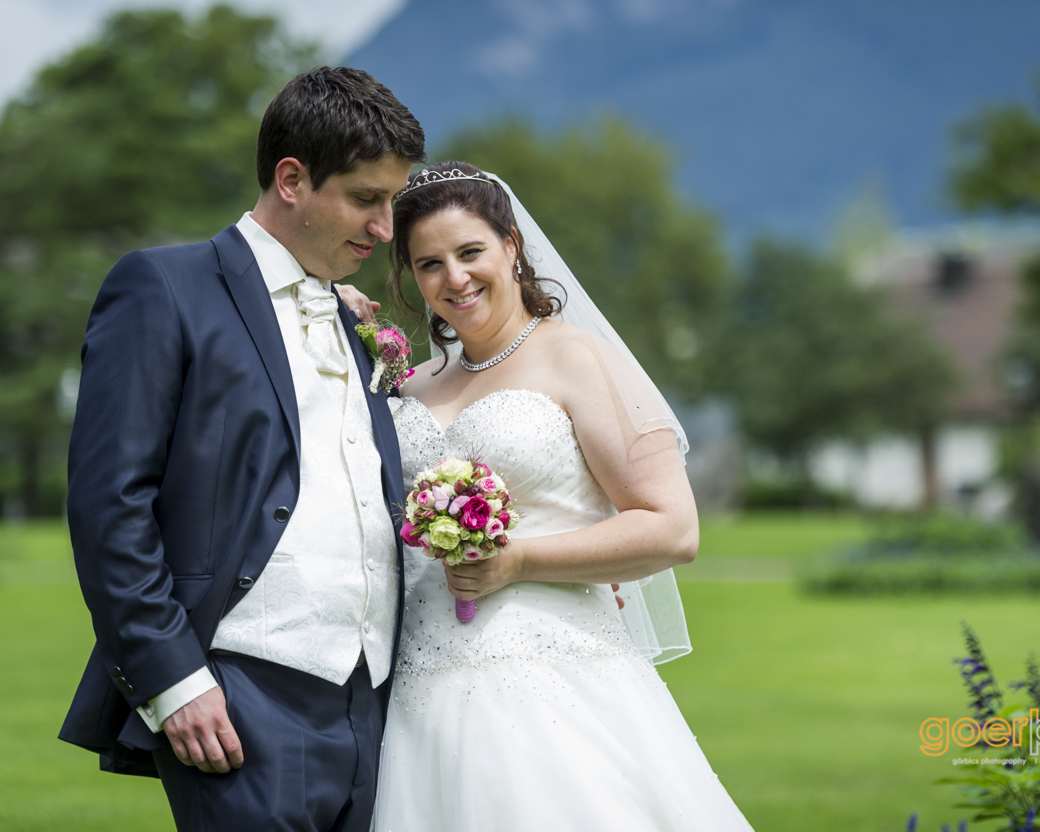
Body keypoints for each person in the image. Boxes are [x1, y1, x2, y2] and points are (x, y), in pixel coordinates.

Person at [58, 66, 425, 832]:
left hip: (380, 697)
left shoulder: (357, 320)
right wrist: (174, 680)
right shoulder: (163, 287)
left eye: (392, 201)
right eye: (366, 199)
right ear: (292, 179)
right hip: (238, 692)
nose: (387, 229)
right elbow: (109, 503)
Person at [371, 161, 754, 831]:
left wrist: (517, 560)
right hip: (414, 691)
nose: (453, 278)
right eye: (429, 264)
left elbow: (672, 529)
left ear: (511, 246)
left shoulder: (577, 358)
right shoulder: (410, 385)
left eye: (470, 252)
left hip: (552, 683)